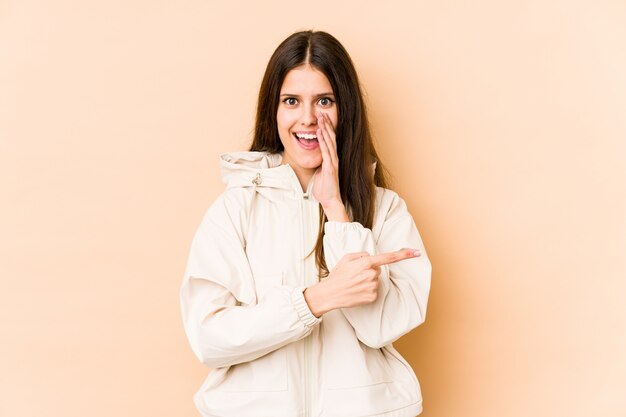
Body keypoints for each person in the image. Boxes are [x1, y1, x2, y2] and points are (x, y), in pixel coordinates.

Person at [180, 30, 432, 417]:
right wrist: (317, 299)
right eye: (292, 101)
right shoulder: (234, 209)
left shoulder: (385, 210)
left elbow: (382, 327)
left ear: (345, 108)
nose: (308, 118)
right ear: (274, 110)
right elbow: (209, 338)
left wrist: (337, 210)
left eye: (325, 101)